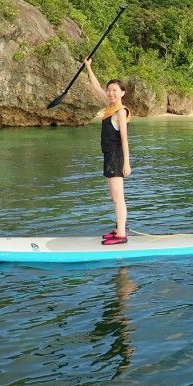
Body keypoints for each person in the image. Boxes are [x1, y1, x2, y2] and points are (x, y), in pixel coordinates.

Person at [84, 57, 131, 245]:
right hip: (109, 155)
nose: (111, 93)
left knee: (118, 196)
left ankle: (121, 234)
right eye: (109, 90)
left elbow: (124, 139)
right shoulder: (110, 107)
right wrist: (88, 66)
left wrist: (127, 162)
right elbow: (95, 87)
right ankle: (118, 228)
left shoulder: (120, 111)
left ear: (122, 93)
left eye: (115, 90)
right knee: (114, 195)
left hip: (116, 156)